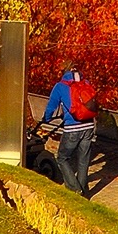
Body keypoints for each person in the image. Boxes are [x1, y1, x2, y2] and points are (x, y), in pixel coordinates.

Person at [41, 66, 99, 196]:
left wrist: (46, 118)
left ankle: (74, 189)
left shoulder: (60, 86)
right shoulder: (86, 82)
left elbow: (51, 106)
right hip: (89, 126)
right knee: (83, 160)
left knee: (62, 158)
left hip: (73, 128)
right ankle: (83, 192)